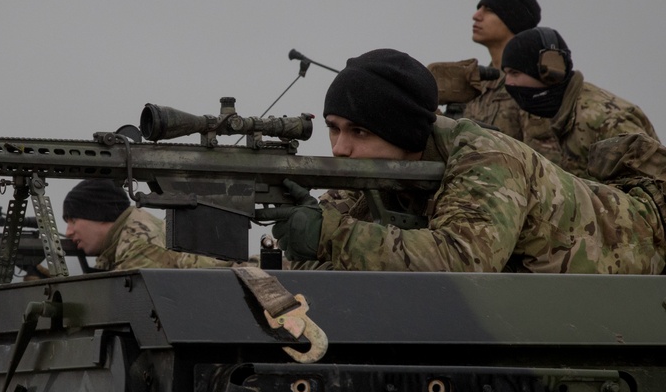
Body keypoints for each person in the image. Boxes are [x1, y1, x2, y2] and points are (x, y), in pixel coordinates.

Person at [260, 48, 665, 274]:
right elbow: (304, 262)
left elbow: (462, 261)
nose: (340, 148)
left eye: (359, 131)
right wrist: (304, 231)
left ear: (402, 133)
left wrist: (328, 236)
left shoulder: (486, 156)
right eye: (334, 127)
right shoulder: (375, 171)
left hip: (649, 240)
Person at [501, 26, 659, 178]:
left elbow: (653, 193)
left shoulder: (608, 120)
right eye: (506, 73)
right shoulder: (544, 113)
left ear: (549, 72)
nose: (508, 82)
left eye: (515, 73)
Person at [430, 0, 559, 160]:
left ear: (513, 18)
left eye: (489, 10)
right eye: (479, 9)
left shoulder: (531, 84)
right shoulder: (476, 84)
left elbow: (545, 159)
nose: (476, 16)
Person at [62, 179, 233, 271]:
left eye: (73, 220)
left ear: (98, 214)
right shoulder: (127, 233)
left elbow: (123, 306)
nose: (68, 231)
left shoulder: (139, 243)